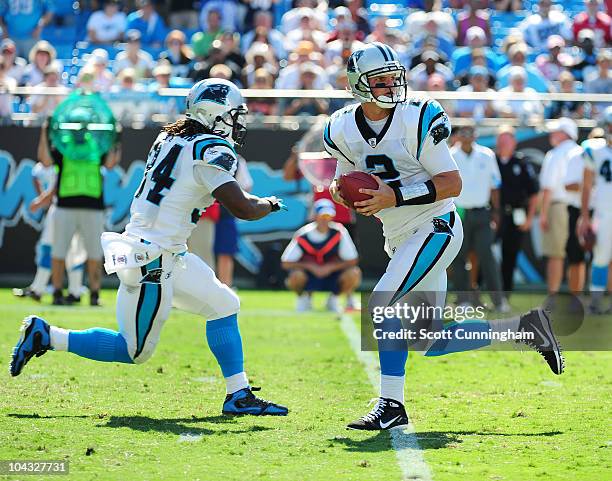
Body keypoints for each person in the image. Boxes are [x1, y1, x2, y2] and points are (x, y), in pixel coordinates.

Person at [10, 78, 289, 417]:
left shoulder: (169, 137)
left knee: (224, 304)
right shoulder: (211, 150)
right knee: (133, 350)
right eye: (233, 115)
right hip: (152, 260)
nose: (238, 122)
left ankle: (238, 394)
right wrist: (269, 204)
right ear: (214, 114)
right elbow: (243, 208)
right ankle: (48, 336)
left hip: (164, 251)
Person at [326, 43, 564, 431]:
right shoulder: (340, 127)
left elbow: (452, 183)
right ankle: (526, 327)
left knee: (382, 302)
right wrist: (341, 191)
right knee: (429, 341)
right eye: (379, 81)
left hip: (434, 225)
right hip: (399, 234)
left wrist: (395, 195)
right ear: (358, 85)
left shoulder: (417, 116)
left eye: (393, 79)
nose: (390, 87)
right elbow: (343, 177)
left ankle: (391, 404)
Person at [35, 105, 121, 306]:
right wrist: (45, 132)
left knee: (94, 254)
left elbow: (110, 164)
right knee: (59, 252)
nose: (80, 130)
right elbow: (45, 161)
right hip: (65, 207)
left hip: (93, 208)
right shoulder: (63, 146)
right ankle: (57, 292)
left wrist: (116, 139)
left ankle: (94, 294)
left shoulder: (97, 146)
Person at [450, 124, 510, 312]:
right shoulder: (450, 155)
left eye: (470, 131)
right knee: (458, 257)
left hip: (482, 212)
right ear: (458, 135)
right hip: (459, 212)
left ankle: (498, 301)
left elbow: (495, 186)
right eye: (463, 132)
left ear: (475, 135)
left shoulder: (487, 155)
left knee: (487, 254)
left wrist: (496, 211)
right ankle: (464, 300)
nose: (466, 135)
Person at [281, 199, 361, 313]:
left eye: (328, 216)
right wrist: (311, 266)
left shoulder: (339, 232)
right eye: (322, 215)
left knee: (354, 273)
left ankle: (333, 299)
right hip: (310, 276)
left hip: (333, 275)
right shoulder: (303, 234)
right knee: (295, 276)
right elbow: (286, 262)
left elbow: (353, 260)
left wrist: (330, 267)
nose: (325, 219)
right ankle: (304, 298)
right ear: (315, 216)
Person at [539, 117, 580, 295]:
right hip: (577, 208)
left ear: (565, 134)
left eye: (556, 131)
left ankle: (553, 296)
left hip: (558, 207)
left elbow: (549, 187)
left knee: (556, 255)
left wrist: (543, 213)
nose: (551, 134)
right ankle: (575, 297)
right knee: (576, 256)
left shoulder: (555, 153)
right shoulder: (581, 151)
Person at [495, 125, 539, 294]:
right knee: (485, 253)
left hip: (516, 214)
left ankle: (506, 294)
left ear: (514, 142)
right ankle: (476, 292)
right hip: (494, 214)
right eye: (501, 139)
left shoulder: (521, 163)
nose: (503, 143)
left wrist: (529, 218)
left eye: (507, 139)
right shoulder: (490, 160)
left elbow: (534, 193)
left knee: (510, 255)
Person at [578, 107, 612, 313]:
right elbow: (586, 185)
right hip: (604, 212)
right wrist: (584, 216)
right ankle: (596, 302)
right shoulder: (594, 150)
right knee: (600, 256)